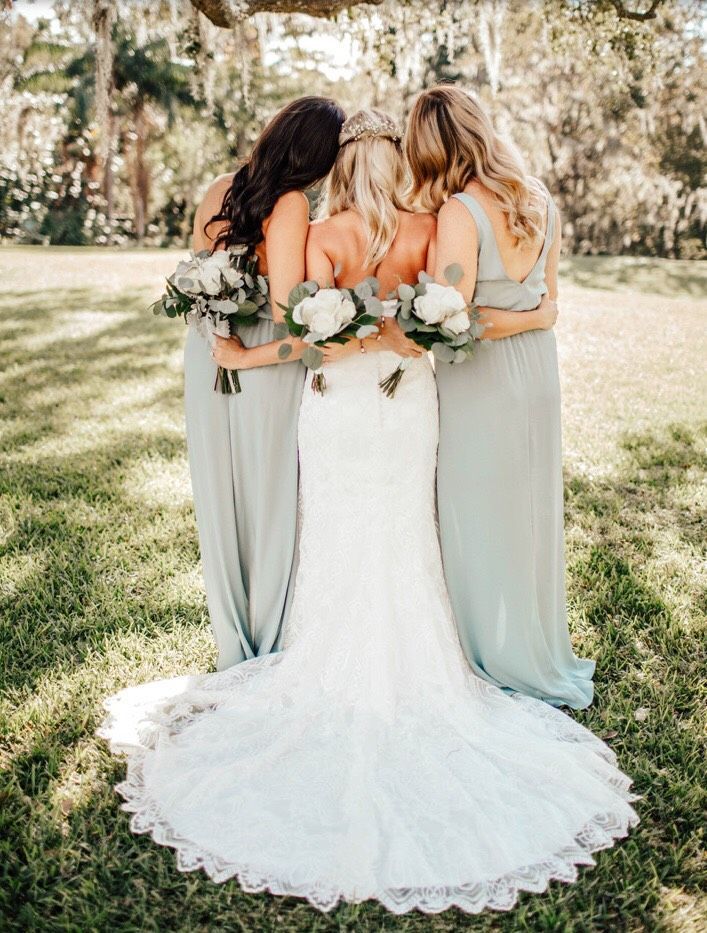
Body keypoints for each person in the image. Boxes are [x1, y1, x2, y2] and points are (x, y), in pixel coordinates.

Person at [99, 110, 635, 915]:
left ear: (343, 168)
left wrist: (307, 340)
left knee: (340, 535)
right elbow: (431, 331)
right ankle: (424, 665)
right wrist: (393, 330)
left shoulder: (320, 235)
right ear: (395, 163)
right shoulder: (433, 224)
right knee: (403, 529)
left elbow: (306, 338)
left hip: (335, 410)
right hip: (405, 409)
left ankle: (323, 658)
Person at [407, 84, 595, 709]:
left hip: (480, 377)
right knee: (528, 508)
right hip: (536, 374)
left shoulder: (460, 211)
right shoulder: (541, 200)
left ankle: (492, 648)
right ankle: (533, 638)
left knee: (477, 510)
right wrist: (536, 321)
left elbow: (457, 319)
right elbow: (549, 306)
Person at [184, 96, 345, 671]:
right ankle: (265, 635)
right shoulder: (292, 204)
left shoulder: (220, 188)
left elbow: (196, 281)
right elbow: (290, 315)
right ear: (318, 159)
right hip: (257, 362)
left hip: (207, 352)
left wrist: (220, 343)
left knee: (222, 494)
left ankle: (235, 635)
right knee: (270, 493)